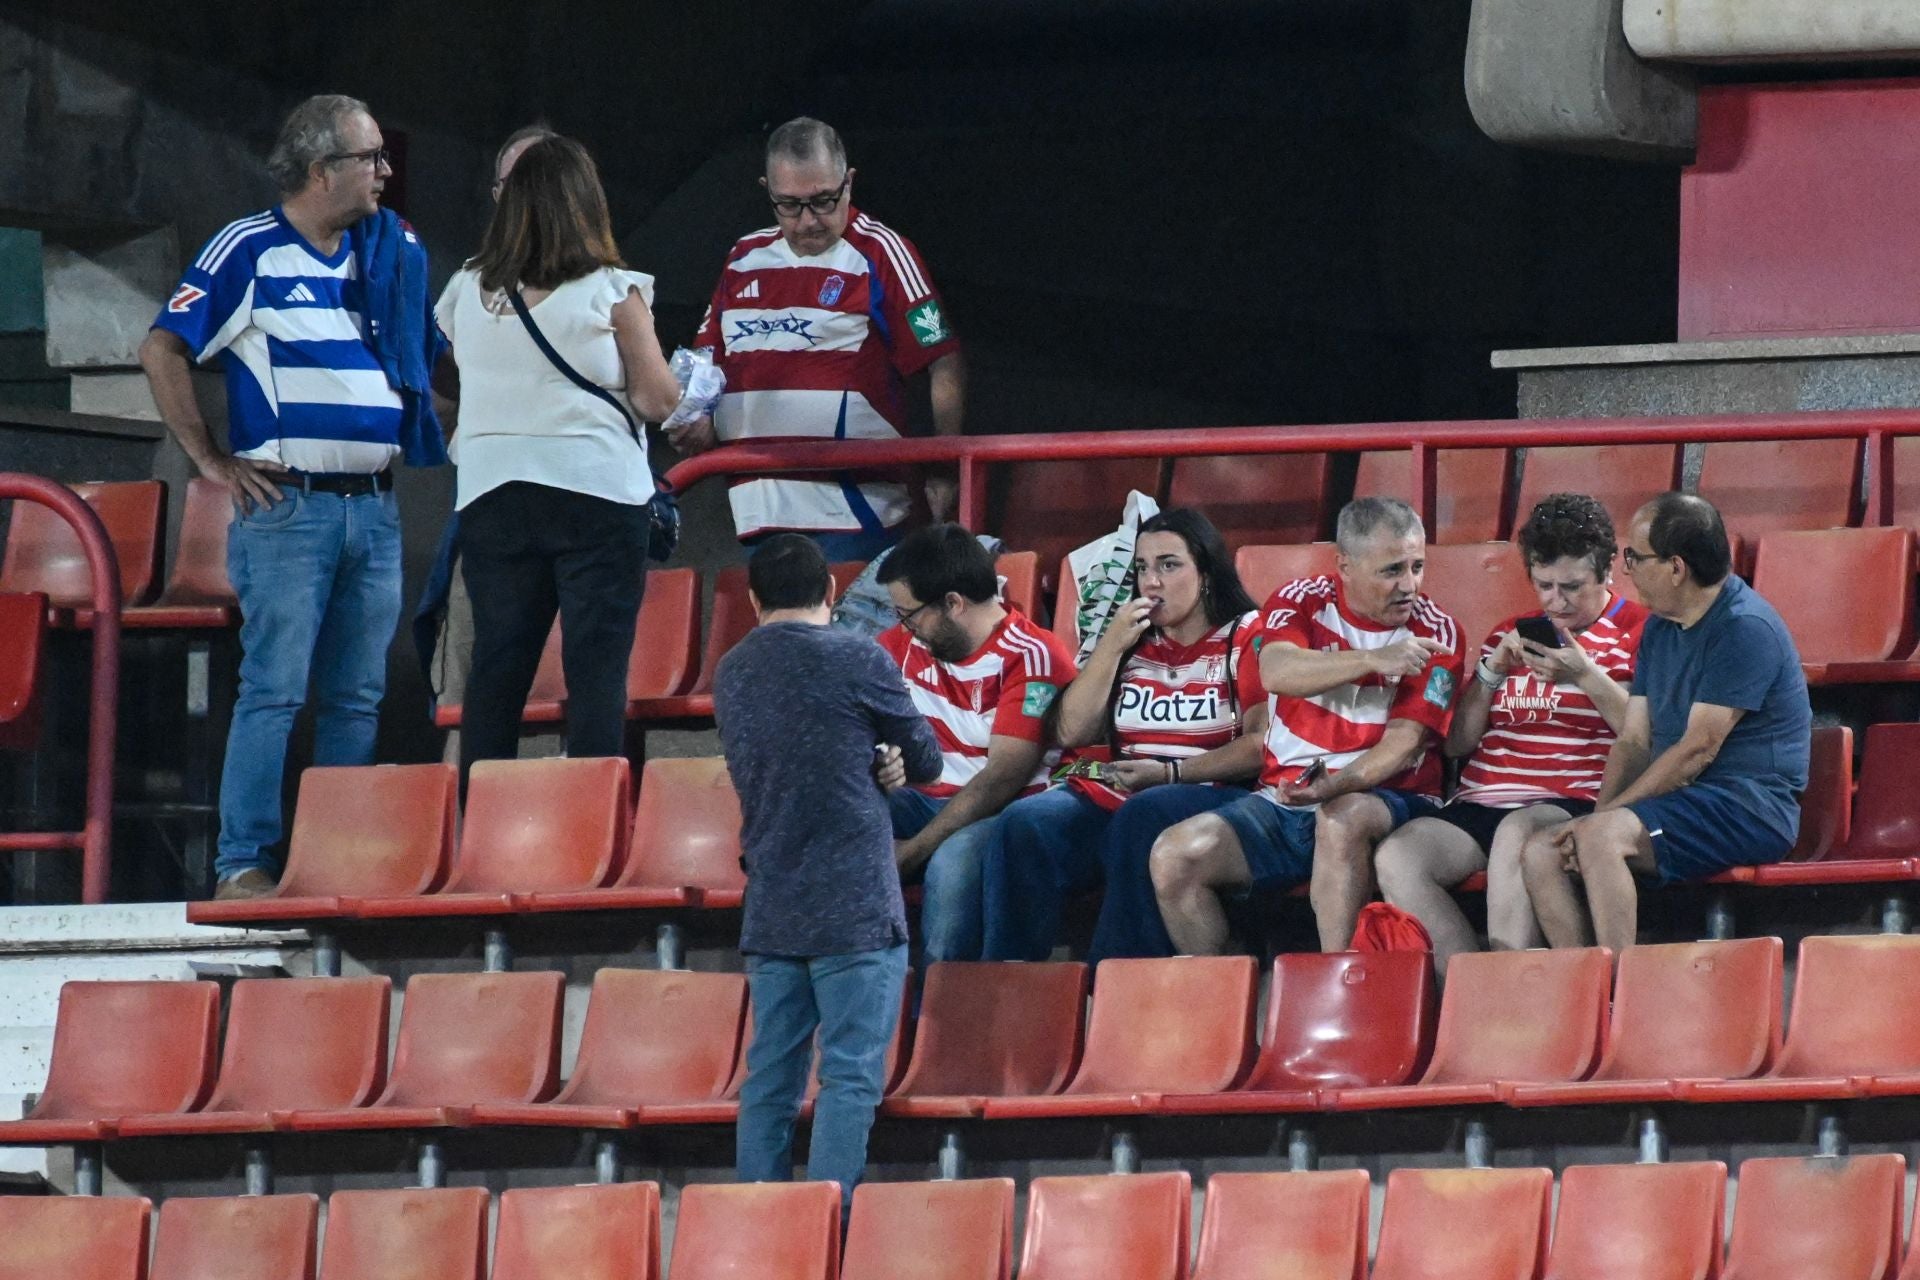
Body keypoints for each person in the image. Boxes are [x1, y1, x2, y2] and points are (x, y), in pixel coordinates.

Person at [138, 94, 445, 900]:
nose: (385, 173)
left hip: (375, 508)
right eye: (370, 158)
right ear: (321, 170)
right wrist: (209, 459)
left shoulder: (387, 252)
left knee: (358, 697)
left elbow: (429, 365)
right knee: (274, 690)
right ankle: (242, 862)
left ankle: (336, 861)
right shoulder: (249, 248)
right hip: (289, 510)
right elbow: (163, 347)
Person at [433, 135, 682, 784]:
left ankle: (480, 821)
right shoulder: (612, 291)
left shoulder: (466, 288)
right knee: (595, 674)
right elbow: (658, 400)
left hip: (492, 498)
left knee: (497, 670)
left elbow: (445, 386)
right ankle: (592, 826)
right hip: (596, 497)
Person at [715, 534, 942, 1212]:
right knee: (848, 1077)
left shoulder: (732, 670)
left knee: (769, 1080)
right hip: (855, 905)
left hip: (774, 901)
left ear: (753, 599)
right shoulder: (857, 655)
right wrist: (889, 762)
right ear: (832, 591)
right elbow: (926, 761)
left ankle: (760, 1228)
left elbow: (797, 754)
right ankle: (827, 1227)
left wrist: (874, 759)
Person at [1145, 498, 1464, 954]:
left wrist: (1334, 786)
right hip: (1282, 801)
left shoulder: (1438, 631)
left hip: (1387, 798)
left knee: (1341, 819)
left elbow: (1403, 744)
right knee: (1173, 856)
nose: (1409, 585)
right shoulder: (1301, 600)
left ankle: (1339, 979)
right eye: (1392, 570)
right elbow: (1277, 671)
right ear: (1345, 566)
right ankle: (1240, 989)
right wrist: (1373, 659)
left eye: (1418, 567)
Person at [1519, 493, 1810, 954]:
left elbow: (1697, 750)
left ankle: (1622, 984)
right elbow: (1634, 740)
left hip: (1747, 807)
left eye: (1635, 557)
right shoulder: (1660, 626)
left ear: (1676, 567)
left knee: (1600, 838)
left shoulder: (1744, 628)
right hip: (1682, 802)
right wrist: (1595, 818)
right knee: (1543, 851)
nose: (1628, 568)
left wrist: (1603, 823)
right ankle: (1586, 982)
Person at [1373, 494, 1649, 978]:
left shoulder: (1638, 632)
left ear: (1607, 571)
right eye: (1544, 585)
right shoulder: (1511, 632)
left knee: (1516, 831)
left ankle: (1509, 987)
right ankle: (1470, 986)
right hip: (1482, 799)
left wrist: (1585, 674)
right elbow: (1458, 744)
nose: (1556, 601)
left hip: (1570, 799)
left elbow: (1644, 733)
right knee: (1399, 856)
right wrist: (1491, 671)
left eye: (1572, 587)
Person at [979, 509, 1268, 962]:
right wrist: (1111, 645)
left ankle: (1113, 978)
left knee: (1144, 814)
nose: (1151, 582)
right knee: (1024, 823)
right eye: (1142, 568)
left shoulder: (1247, 635)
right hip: (1127, 791)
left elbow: (1260, 745)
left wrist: (1170, 774)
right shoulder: (1132, 642)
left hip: (1212, 790)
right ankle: (1009, 982)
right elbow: (1071, 730)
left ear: (1207, 573)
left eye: (1168, 565)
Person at [679, 117, 966, 560]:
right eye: (790, 205)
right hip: (759, 512)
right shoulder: (742, 258)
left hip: (857, 514)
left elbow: (943, 357)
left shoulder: (881, 251)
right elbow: (704, 365)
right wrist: (694, 416)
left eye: (823, 201)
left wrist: (945, 466)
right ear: (767, 191)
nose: (808, 220)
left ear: (849, 183)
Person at [877, 523, 1077, 962]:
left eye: (909, 615)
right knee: (835, 819)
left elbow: (1001, 780)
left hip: (1003, 813)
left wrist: (912, 852)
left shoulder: (1033, 654)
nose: (904, 628)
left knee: (953, 862)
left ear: (953, 603)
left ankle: (939, 1001)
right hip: (924, 799)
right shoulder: (902, 646)